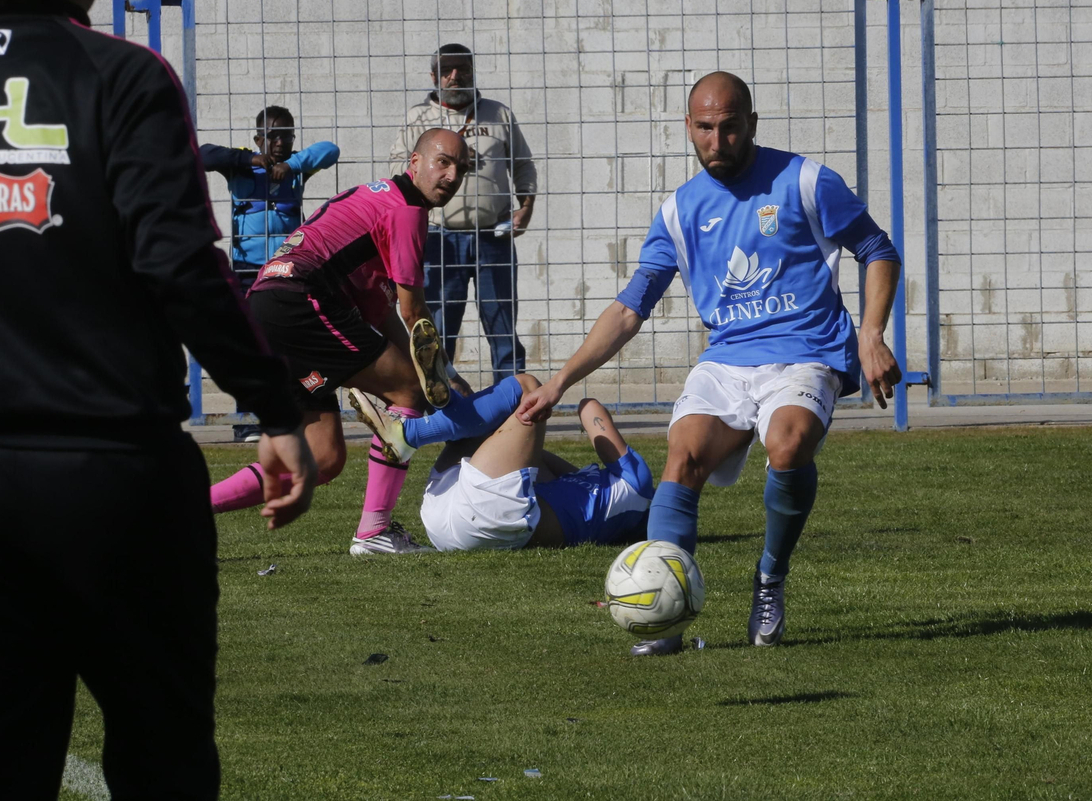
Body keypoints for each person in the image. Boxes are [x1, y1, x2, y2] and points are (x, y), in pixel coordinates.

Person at [0, 0, 315, 800]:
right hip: (114, 479)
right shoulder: (123, 77)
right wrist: (273, 402)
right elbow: (179, 265)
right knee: (162, 761)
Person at [516, 71, 902, 655]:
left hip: (805, 352)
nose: (716, 141)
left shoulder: (805, 180)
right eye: (704, 128)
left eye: (728, 127)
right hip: (727, 360)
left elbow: (877, 249)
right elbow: (629, 308)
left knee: (788, 445)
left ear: (751, 124)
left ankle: (769, 580)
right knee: (684, 457)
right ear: (688, 127)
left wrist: (871, 334)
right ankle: (663, 620)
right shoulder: (679, 211)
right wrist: (561, 381)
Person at [208, 128, 469, 556]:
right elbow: (411, 312)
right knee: (406, 390)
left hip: (266, 304)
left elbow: (378, 310)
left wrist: (414, 370)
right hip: (299, 300)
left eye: (461, 167)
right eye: (443, 162)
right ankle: (374, 532)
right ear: (414, 163)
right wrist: (445, 376)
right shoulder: (406, 211)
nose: (452, 175)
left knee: (324, 458)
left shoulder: (374, 197)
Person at [389, 44, 536, 382]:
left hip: (492, 236)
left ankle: (513, 412)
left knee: (502, 330)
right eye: (446, 71)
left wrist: (525, 208)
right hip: (439, 238)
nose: (454, 77)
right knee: (437, 330)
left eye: (462, 70)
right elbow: (398, 169)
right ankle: (444, 409)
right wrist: (448, 155)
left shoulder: (498, 114)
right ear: (434, 76)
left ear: (473, 73)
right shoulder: (417, 118)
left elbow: (523, 165)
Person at [351, 389, 652, 551]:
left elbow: (589, 406)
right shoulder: (607, 504)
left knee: (528, 390)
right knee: (487, 420)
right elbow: (524, 453)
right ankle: (449, 392)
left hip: (493, 516)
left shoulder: (637, 485)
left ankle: (413, 432)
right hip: (449, 524)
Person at [198, 105, 339, 287]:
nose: (280, 143)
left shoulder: (298, 167)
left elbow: (331, 150)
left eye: (287, 136)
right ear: (258, 140)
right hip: (247, 265)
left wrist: (291, 165)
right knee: (249, 312)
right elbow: (203, 155)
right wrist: (249, 159)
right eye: (272, 136)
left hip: (289, 261)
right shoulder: (240, 164)